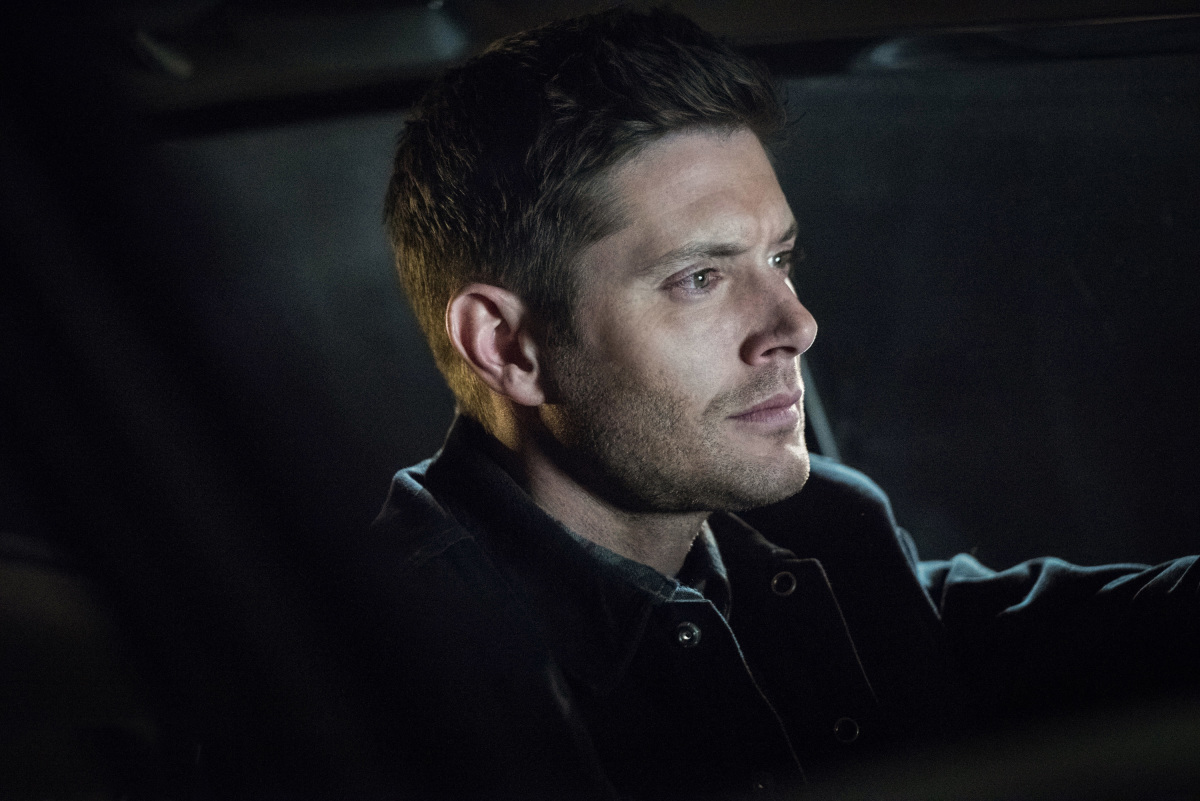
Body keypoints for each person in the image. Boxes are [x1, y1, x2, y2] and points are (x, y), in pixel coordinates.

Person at [356, 8, 1199, 799]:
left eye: (780, 259)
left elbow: (1089, 633)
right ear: (507, 346)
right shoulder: (381, 676)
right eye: (700, 277)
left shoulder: (817, 528)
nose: (796, 325)